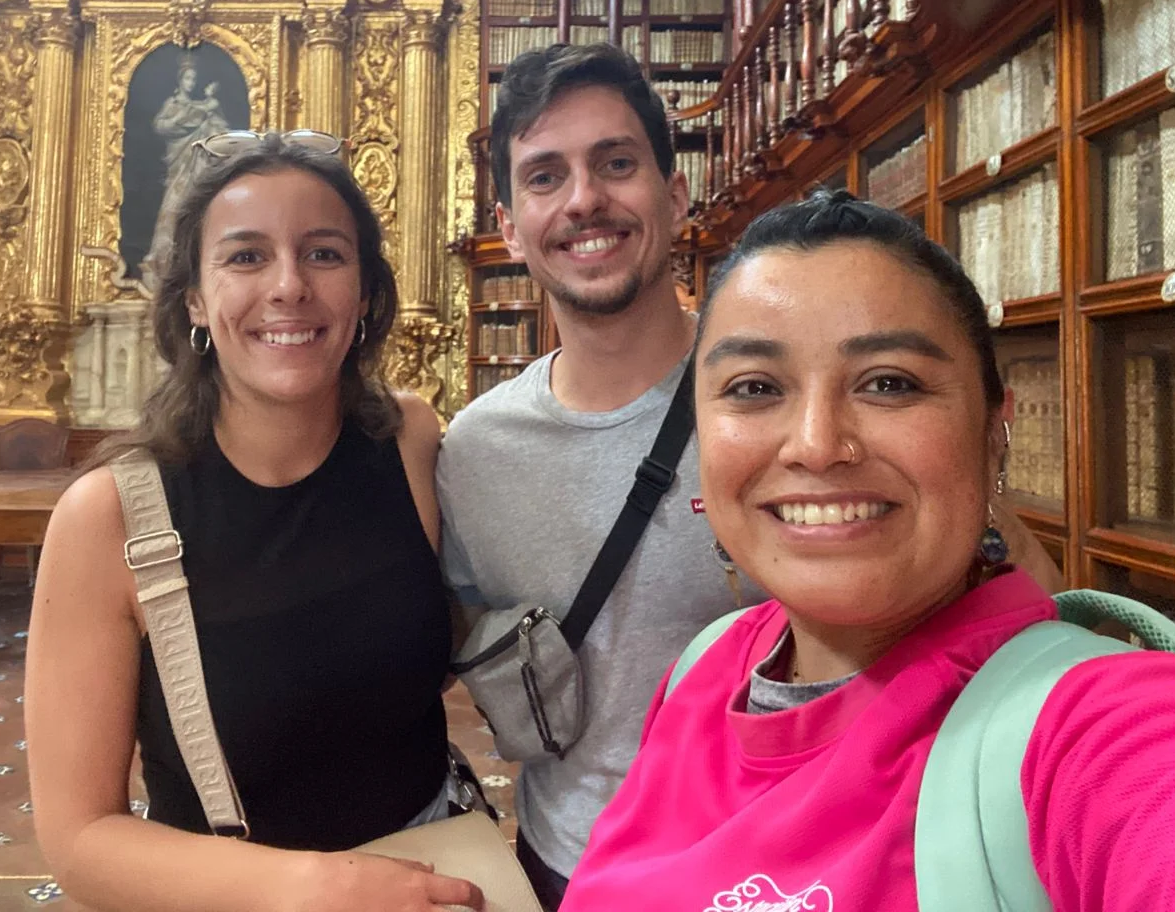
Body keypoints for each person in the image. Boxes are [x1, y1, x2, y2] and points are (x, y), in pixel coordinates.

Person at [439, 46, 1067, 907]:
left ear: (675, 195)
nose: (584, 199)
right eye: (546, 176)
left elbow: (1031, 630)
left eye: (616, 163)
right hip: (570, 858)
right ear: (509, 226)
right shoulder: (475, 451)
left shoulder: (797, 390)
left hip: (819, 867)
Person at [561, 190, 1175, 911]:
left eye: (889, 383)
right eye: (753, 388)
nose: (816, 444)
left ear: (995, 432)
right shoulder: (704, 666)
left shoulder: (1081, 728)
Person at [27, 132, 482, 912]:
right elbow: (79, 839)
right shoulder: (108, 519)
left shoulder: (409, 438)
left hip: (433, 869)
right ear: (194, 299)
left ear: (365, 293)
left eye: (324, 254)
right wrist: (316, 886)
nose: (289, 286)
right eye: (246, 257)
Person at [144, 60, 228, 289]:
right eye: (188, 78)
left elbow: (222, 136)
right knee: (174, 211)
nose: (191, 83)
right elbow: (162, 126)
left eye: (194, 79)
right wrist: (199, 111)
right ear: (180, 81)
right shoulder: (175, 104)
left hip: (201, 169)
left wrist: (209, 107)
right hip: (180, 168)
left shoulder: (206, 107)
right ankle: (166, 263)